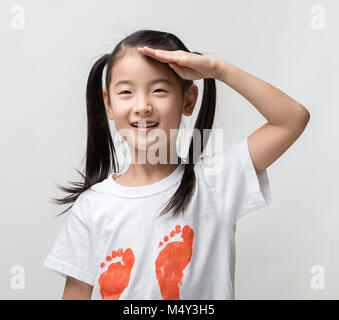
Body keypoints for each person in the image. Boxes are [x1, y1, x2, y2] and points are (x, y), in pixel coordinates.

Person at [43, 29, 310, 300]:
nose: (143, 105)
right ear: (108, 105)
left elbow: (291, 119)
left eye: (159, 90)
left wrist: (217, 69)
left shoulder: (216, 183)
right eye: (126, 91)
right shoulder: (92, 205)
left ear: (189, 100)